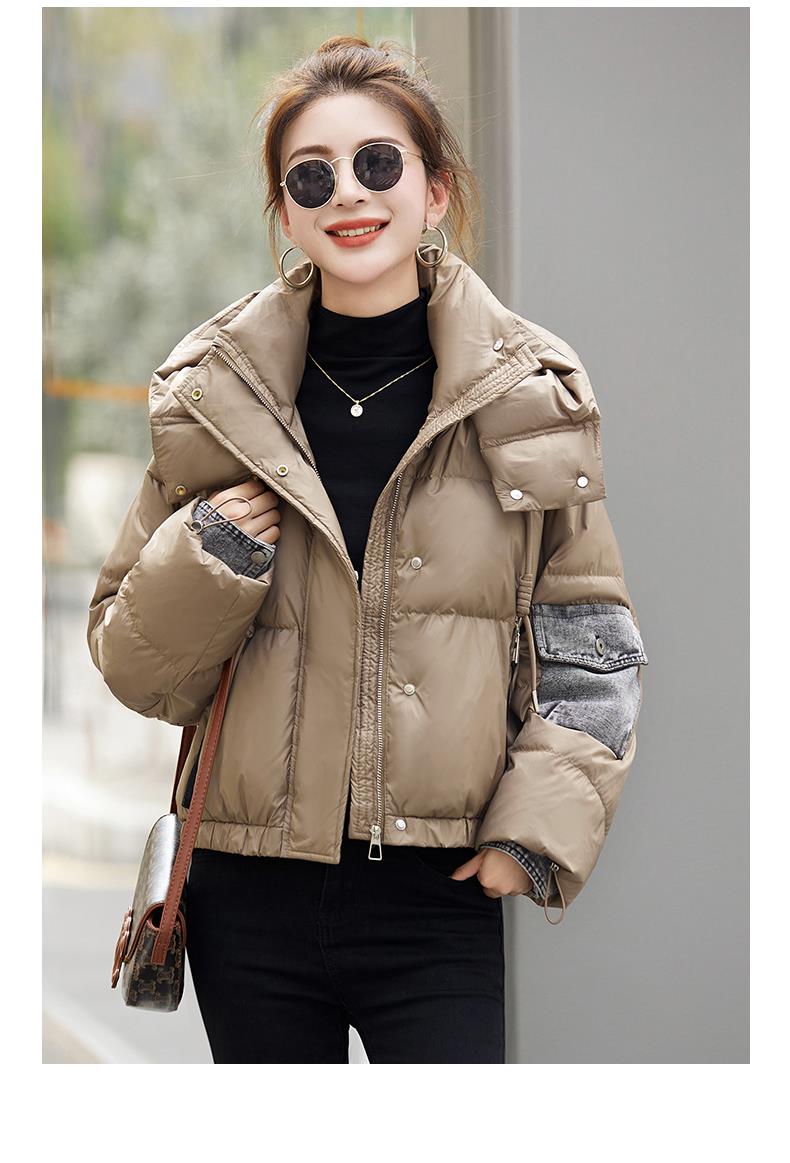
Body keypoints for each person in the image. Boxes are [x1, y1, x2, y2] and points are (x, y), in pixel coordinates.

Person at [87, 35, 648, 1064]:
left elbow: (593, 648)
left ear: (434, 191)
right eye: (312, 175)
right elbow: (131, 664)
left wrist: (530, 840)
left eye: (377, 162)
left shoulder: (531, 392)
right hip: (246, 893)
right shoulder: (214, 395)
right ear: (287, 212)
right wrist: (210, 557)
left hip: (437, 896)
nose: (347, 191)